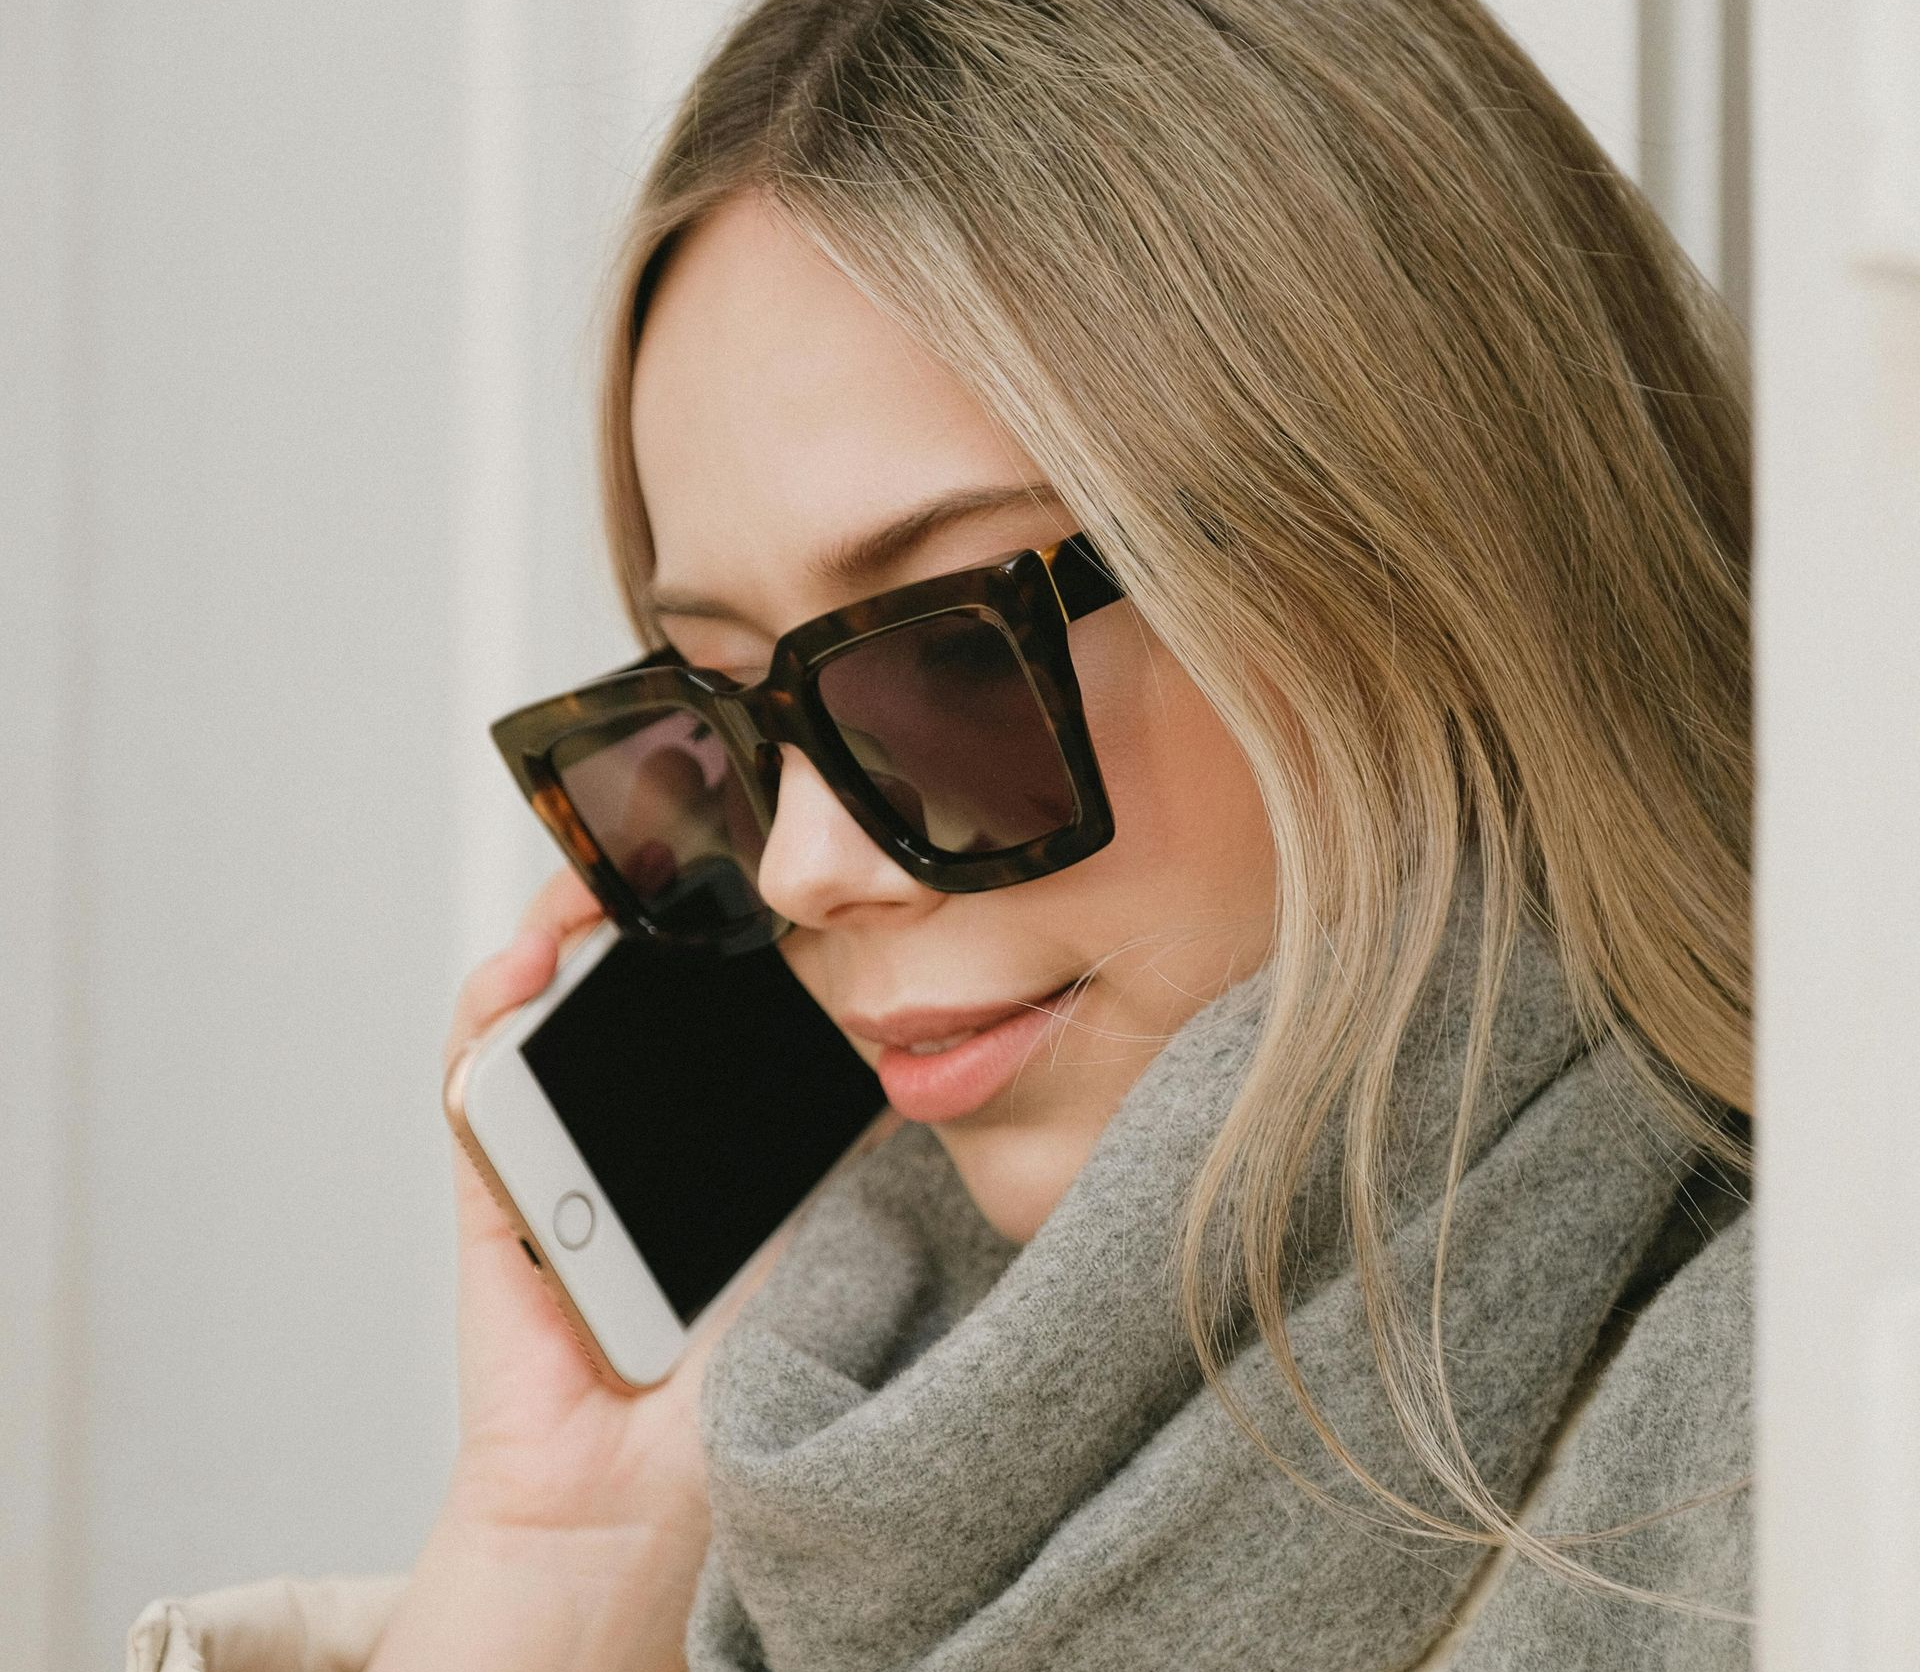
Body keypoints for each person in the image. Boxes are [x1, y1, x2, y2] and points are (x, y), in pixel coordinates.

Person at [129, 1, 1754, 1667]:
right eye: (729, 722)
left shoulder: (1796, 1470)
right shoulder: (823, 1466)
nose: (799, 871)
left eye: (946, 659)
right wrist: (568, 1553)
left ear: (1414, 565)